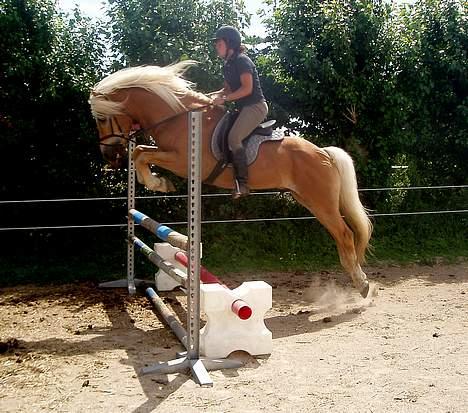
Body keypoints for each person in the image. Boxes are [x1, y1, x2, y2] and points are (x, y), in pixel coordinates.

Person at [211, 25, 268, 199]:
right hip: (243, 108)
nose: (216, 46)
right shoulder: (227, 65)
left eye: (218, 43)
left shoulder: (242, 60)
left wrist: (225, 99)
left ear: (230, 43)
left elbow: (247, 89)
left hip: (255, 106)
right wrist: (212, 96)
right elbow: (227, 89)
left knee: (234, 137)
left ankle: (242, 184)